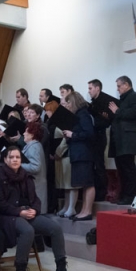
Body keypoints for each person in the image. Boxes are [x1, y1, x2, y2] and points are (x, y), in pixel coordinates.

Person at [0, 146, 74, 271]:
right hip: (7, 216)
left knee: (55, 228)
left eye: (18, 157)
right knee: (27, 230)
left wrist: (34, 210)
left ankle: (61, 268)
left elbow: (35, 199)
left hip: (27, 212)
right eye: (11, 157)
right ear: (5, 160)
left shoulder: (26, 176)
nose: (15, 160)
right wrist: (19, 212)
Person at [109, 76, 136, 205]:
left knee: (128, 169)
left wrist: (117, 111)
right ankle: (123, 195)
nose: (117, 89)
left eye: (119, 86)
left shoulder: (135, 97)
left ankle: (130, 196)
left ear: (126, 85)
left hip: (128, 141)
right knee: (122, 169)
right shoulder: (123, 100)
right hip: (120, 141)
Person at [62, 91, 95, 220]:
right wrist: (69, 137)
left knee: (88, 183)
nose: (67, 105)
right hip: (78, 153)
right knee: (83, 184)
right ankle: (83, 211)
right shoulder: (77, 115)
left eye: (68, 102)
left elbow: (90, 133)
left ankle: (87, 211)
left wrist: (73, 135)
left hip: (84, 153)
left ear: (74, 101)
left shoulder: (83, 114)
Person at [87, 79, 116, 201]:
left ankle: (101, 193)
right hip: (93, 137)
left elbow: (107, 120)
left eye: (90, 88)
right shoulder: (93, 103)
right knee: (94, 165)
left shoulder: (105, 101)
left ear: (97, 88)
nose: (88, 91)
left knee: (99, 165)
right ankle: (96, 192)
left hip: (99, 136)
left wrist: (95, 121)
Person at [21, 121, 48, 214]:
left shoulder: (34, 147)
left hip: (36, 185)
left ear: (32, 134)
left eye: (26, 131)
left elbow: (35, 167)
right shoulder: (33, 146)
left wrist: (18, 165)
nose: (23, 133)